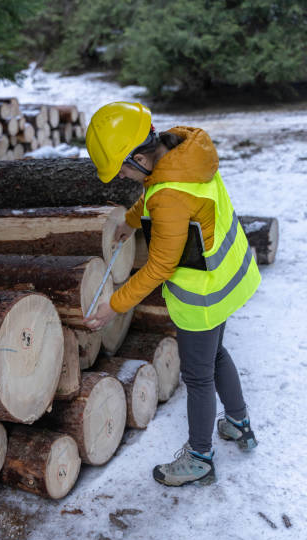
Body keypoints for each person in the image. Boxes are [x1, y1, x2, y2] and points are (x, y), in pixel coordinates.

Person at [83, 101, 261, 487]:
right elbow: (156, 187)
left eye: (125, 169)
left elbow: (160, 266)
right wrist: (132, 221)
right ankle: (238, 423)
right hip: (229, 277)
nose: (125, 177)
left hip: (203, 296)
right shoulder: (183, 149)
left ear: (140, 156)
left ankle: (200, 458)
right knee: (217, 356)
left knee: (197, 377)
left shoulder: (168, 196)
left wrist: (113, 305)